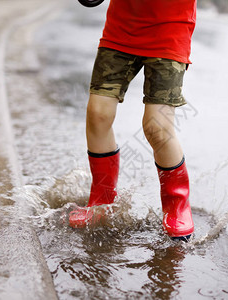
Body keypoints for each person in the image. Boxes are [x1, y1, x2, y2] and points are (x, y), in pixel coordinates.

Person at [69, 0, 196, 240]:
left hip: (170, 31)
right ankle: (101, 203)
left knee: (157, 128)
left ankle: (177, 205)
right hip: (122, 29)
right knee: (98, 114)